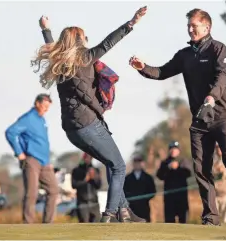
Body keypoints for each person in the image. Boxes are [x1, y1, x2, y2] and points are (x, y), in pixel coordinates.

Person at [129, 8, 226, 229]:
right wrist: (143, 68)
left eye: (194, 25)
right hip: (200, 120)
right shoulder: (185, 55)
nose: (190, 29)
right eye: (189, 26)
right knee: (201, 168)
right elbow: (162, 72)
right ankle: (211, 217)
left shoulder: (218, 49)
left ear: (207, 27)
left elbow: (222, 77)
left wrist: (212, 96)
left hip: (224, 115)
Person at [32, 6, 148, 223]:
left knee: (110, 163)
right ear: (78, 39)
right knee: (119, 166)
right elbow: (108, 42)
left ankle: (124, 212)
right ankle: (110, 214)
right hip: (88, 125)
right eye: (84, 36)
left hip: (71, 129)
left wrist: (45, 30)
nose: (87, 39)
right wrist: (132, 22)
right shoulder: (85, 57)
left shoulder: (59, 63)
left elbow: (51, 47)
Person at [5, 94, 58, 223]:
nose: (46, 109)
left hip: (45, 162)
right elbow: (10, 132)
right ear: (37, 103)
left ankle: (48, 224)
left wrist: (48, 161)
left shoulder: (42, 119)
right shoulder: (28, 118)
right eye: (45, 106)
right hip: (31, 160)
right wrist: (19, 153)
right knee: (31, 193)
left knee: (54, 190)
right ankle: (28, 225)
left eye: (48, 107)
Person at [156, 141, 191, 224]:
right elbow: (159, 175)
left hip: (181, 197)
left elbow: (188, 173)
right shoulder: (165, 162)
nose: (173, 151)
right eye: (172, 149)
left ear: (178, 150)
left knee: (183, 220)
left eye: (175, 149)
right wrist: (168, 167)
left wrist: (178, 167)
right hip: (169, 197)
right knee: (169, 221)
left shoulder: (183, 161)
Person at [123, 156, 156, 222]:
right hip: (132, 207)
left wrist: (144, 199)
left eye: (139, 162)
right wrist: (131, 198)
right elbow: (124, 191)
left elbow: (153, 191)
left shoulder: (148, 178)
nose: (137, 164)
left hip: (144, 207)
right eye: (136, 162)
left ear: (143, 163)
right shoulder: (128, 178)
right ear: (133, 164)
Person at [71, 153, 102, 223]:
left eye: (89, 158)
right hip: (82, 204)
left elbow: (99, 185)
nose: (87, 159)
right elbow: (74, 185)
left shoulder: (96, 170)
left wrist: (94, 178)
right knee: (84, 226)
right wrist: (85, 180)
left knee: (97, 226)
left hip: (95, 204)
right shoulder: (76, 171)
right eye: (86, 158)